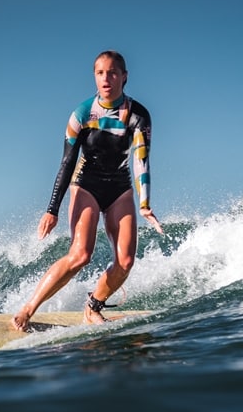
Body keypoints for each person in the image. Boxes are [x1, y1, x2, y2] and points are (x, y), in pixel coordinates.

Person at [12, 50, 163, 331]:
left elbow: (141, 160)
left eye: (113, 72)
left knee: (126, 261)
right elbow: (67, 162)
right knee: (81, 254)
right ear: (94, 77)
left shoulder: (138, 115)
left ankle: (93, 306)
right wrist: (52, 209)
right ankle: (28, 309)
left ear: (124, 77)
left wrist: (145, 205)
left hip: (119, 187)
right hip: (86, 184)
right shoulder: (82, 114)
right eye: (100, 73)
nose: (106, 78)